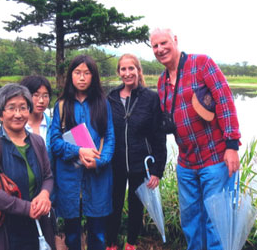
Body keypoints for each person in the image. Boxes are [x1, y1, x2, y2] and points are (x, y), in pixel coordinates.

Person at [150, 28, 241, 250]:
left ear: (175, 40)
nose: (160, 49)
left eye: (164, 43)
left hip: (215, 159)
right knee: (190, 222)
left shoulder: (202, 64)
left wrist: (231, 145)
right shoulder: (162, 82)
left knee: (217, 222)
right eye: (155, 46)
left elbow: (224, 100)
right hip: (186, 163)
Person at [0, 83, 54, 250]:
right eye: (11, 108)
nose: (18, 114)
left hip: (35, 226)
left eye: (23, 108)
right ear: (0, 114)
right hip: (2, 228)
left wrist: (45, 194)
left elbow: (48, 176)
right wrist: (26, 208)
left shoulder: (37, 142)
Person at [49, 54, 115, 250]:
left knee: (98, 234)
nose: (82, 77)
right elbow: (55, 142)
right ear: (71, 76)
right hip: (69, 178)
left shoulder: (103, 103)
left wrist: (100, 161)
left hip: (97, 176)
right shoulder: (61, 106)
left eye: (87, 73)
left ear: (93, 77)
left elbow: (110, 138)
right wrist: (79, 151)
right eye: (77, 73)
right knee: (71, 235)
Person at [106, 54, 167, 250]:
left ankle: (131, 243)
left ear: (138, 71)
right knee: (113, 205)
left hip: (140, 164)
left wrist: (158, 170)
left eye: (131, 68)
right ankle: (111, 243)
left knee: (136, 206)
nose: (127, 73)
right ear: (119, 72)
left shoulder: (150, 98)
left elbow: (159, 136)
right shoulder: (111, 98)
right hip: (114, 163)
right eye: (123, 69)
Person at [20, 75, 52, 147]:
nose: (41, 101)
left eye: (45, 96)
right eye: (36, 95)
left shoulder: (53, 125)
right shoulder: (16, 125)